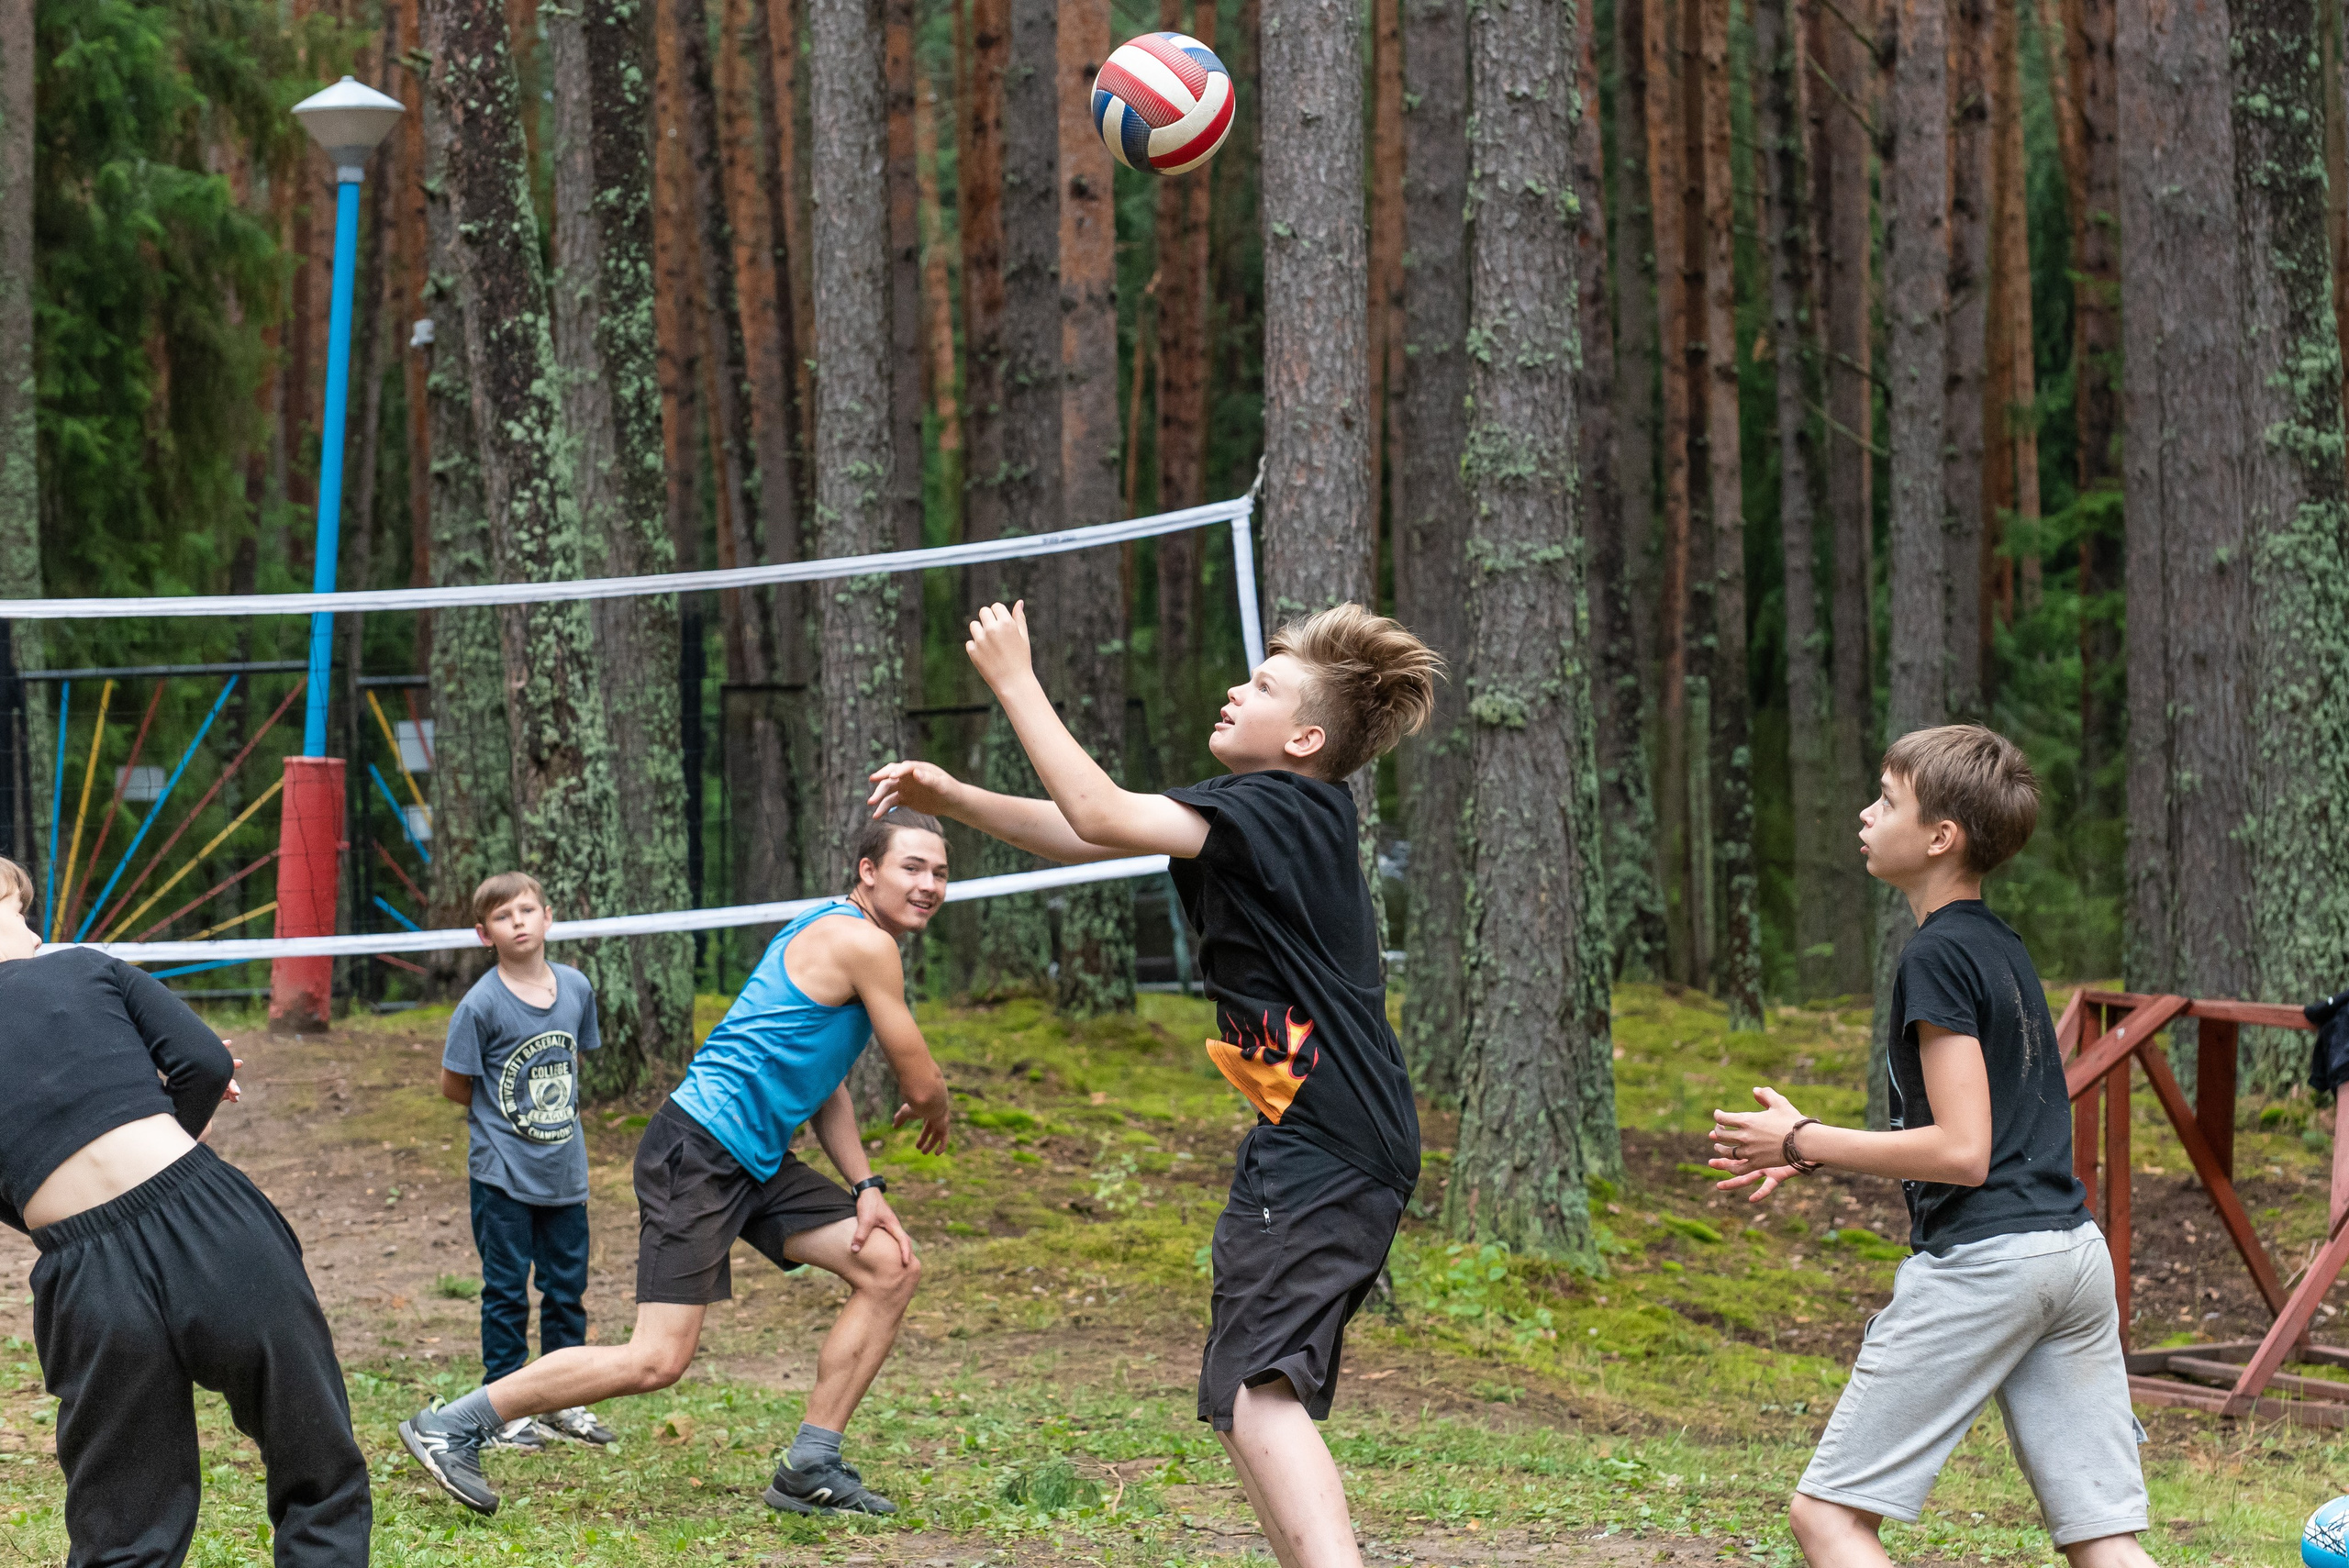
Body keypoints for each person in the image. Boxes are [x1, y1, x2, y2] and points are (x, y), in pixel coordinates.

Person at [869, 600, 1439, 1568]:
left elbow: (1096, 810)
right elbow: (1088, 831)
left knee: (1258, 1392)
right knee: (1239, 1394)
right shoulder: (1268, 814)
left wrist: (1014, 678)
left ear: (1305, 737)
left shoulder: (1281, 804)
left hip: (1328, 1141)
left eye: (1261, 685)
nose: (1233, 687)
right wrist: (956, 797)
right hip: (1326, 1135)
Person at [400, 810, 955, 1518]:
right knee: (656, 1359)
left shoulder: (835, 928)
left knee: (889, 1265)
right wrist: (936, 1107)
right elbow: (920, 1083)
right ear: (868, 871)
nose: (929, 884)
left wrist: (865, 1184)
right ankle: (453, 1425)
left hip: (752, 1157)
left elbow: (826, 1080)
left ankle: (810, 1465)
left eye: (940, 871)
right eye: (913, 867)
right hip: (696, 1150)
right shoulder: (862, 942)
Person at [1707, 725, 2154, 1568]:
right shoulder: (2000, 945)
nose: (1866, 814)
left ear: (1940, 837)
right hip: (2073, 1257)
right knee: (2104, 1540)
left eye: (1887, 800)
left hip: (1992, 1265)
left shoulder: (1937, 955)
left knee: (1827, 1517)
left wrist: (1802, 1140)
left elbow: (1963, 1150)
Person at [0, 856, 373, 1565]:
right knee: (314, 1459)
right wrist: (162, 1124)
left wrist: (65, 1208)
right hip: (204, 1214)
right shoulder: (86, 966)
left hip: (81, 1264)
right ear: (16, 901)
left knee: (122, 1524)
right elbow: (204, 1060)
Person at [438, 871, 613, 1451]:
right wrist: (501, 1126)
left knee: (567, 1290)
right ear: (483, 933)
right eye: (504, 916)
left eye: (527, 910)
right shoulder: (480, 1004)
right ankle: (505, 1407)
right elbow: (454, 1085)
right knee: (507, 1290)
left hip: (565, 1172)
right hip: (502, 1176)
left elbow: (570, 1066)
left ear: (548, 918)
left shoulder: (577, 988)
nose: (518, 922)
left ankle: (565, 1400)